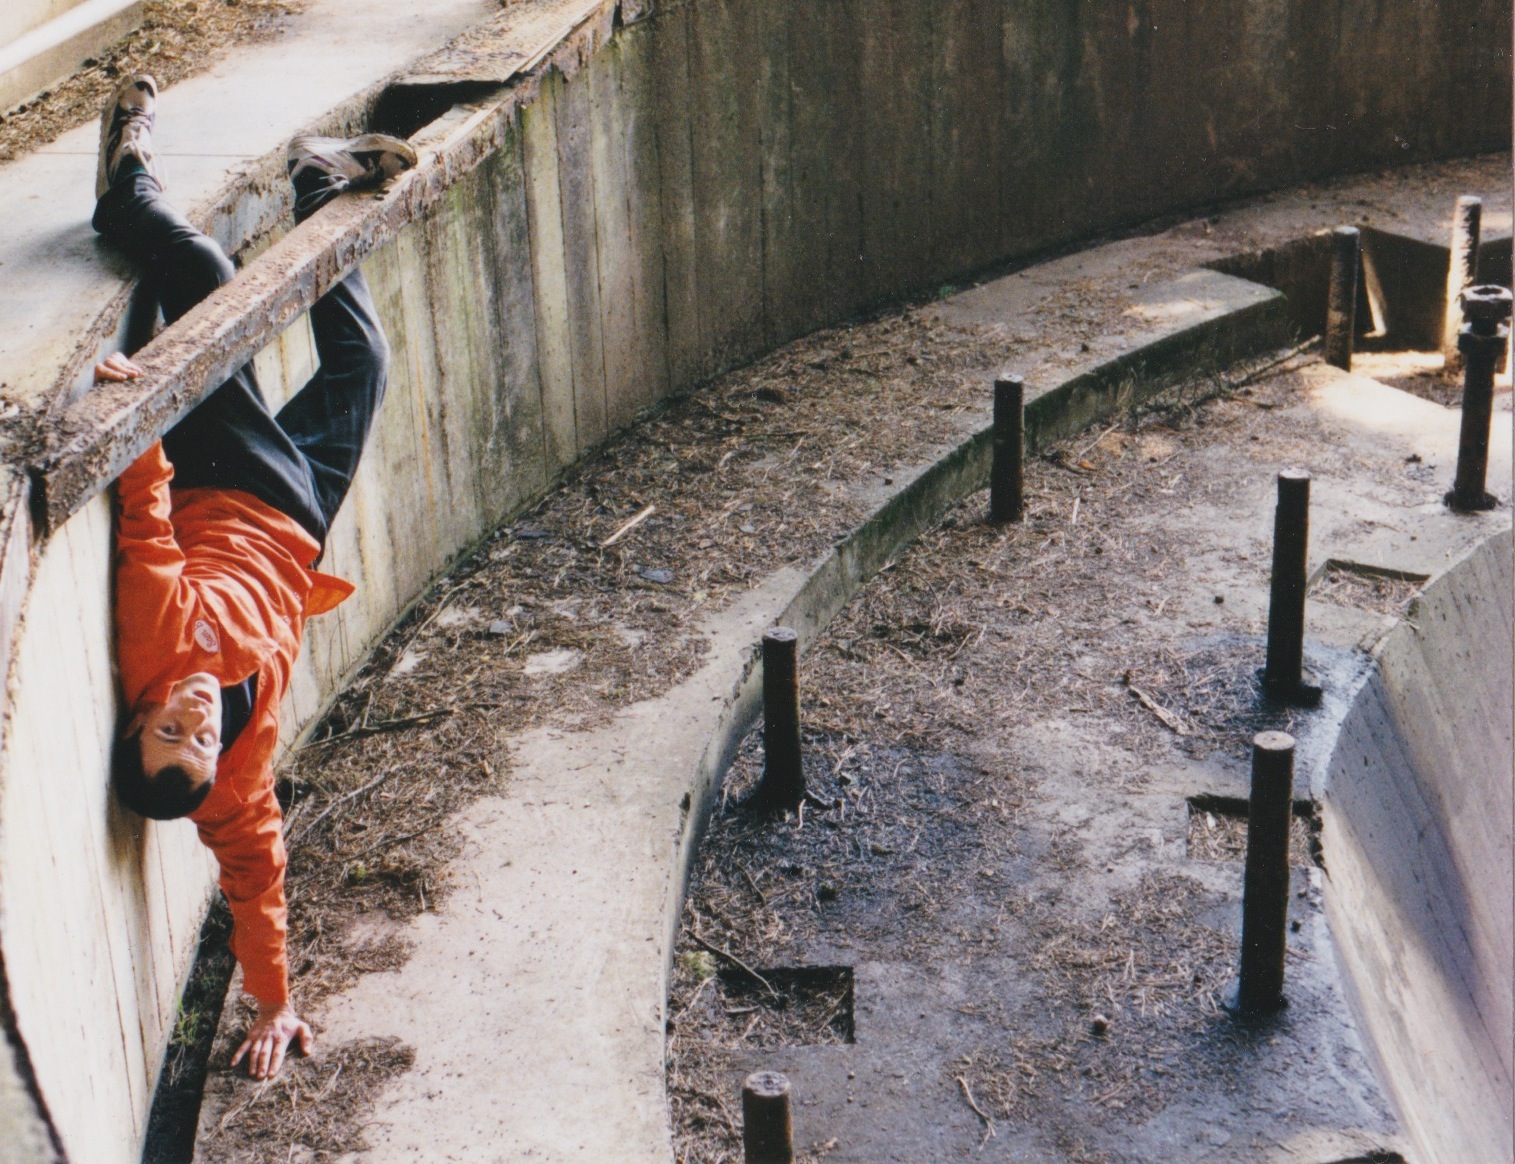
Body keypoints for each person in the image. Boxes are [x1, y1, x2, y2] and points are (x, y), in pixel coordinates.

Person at [92, 73, 415, 1080]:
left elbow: (145, 523)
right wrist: (274, 1006)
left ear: (140, 713)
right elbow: (256, 882)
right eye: (197, 735)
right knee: (363, 365)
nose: (193, 714)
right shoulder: (231, 786)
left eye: (166, 726)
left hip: (229, 480)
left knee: (200, 265)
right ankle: (321, 184)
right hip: (300, 522)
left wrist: (126, 401)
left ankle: (123, 193)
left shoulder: (154, 642)